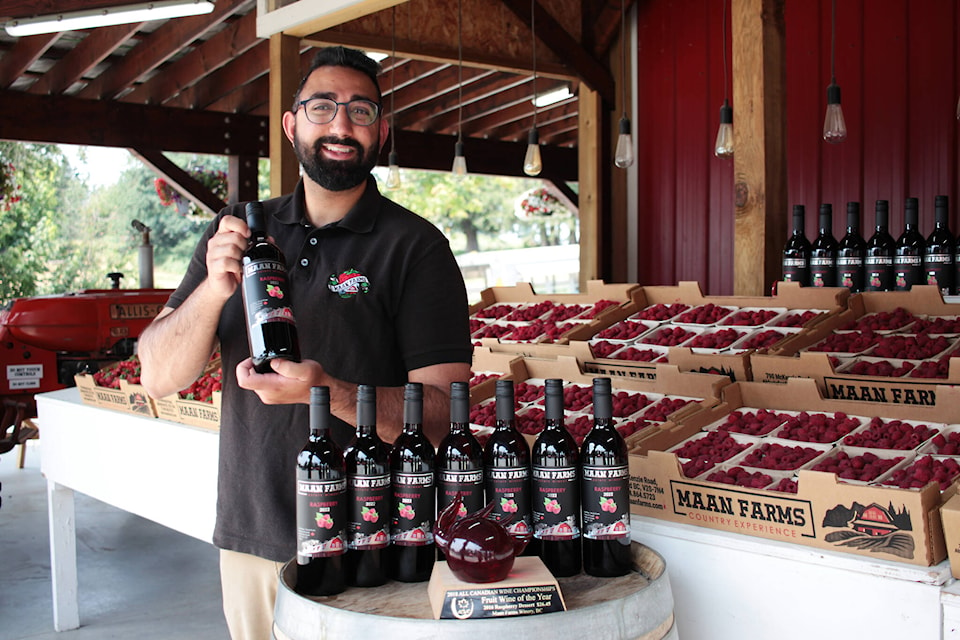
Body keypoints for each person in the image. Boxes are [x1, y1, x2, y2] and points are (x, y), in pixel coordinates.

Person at [138, 46, 473, 640]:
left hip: (373, 542)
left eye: (360, 111)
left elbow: (446, 414)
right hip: (252, 535)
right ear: (292, 124)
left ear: (382, 130)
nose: (341, 125)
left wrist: (332, 393)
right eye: (322, 107)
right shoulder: (235, 231)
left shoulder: (415, 247)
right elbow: (158, 376)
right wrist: (216, 289)